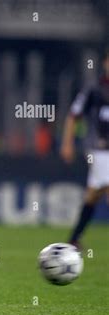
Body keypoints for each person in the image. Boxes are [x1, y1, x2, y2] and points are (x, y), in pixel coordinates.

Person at [60, 50, 109, 249]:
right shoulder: (94, 89)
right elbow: (74, 115)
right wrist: (67, 143)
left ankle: (74, 238)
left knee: (93, 194)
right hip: (98, 148)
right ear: (105, 63)